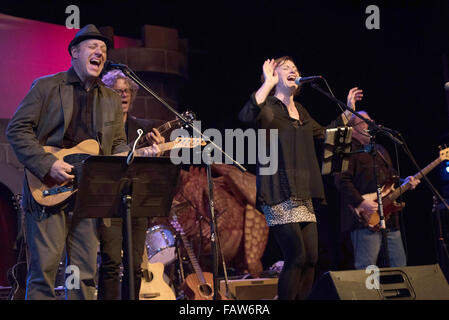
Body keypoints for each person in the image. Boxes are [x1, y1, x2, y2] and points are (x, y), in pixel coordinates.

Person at [6, 24, 159, 300]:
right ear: (74, 52)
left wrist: (140, 152)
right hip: (48, 190)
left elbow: (115, 147)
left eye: (103, 49)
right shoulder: (46, 87)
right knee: (45, 274)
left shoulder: (110, 99)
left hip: (88, 196)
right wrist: (46, 164)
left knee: (84, 275)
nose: (99, 52)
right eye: (93, 47)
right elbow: (16, 129)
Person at [238, 57, 358, 300]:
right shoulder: (268, 106)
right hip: (277, 191)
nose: (293, 70)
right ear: (273, 75)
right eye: (286, 68)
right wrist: (268, 84)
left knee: (311, 258)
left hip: (303, 191)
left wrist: (348, 111)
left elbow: (326, 134)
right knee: (297, 256)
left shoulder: (301, 111)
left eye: (295, 68)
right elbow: (246, 115)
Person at [98, 69, 165, 300]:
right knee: (111, 263)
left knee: (135, 265)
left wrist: (159, 151)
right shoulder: (102, 128)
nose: (123, 95)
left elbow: (152, 170)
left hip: (137, 202)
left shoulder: (144, 127)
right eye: (117, 92)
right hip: (110, 202)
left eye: (127, 91)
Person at [334, 108, 420, 270]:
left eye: (370, 120)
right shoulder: (347, 151)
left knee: (400, 266)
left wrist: (405, 181)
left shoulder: (380, 150)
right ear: (352, 129)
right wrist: (361, 202)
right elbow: (341, 181)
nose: (370, 124)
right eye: (364, 121)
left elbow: (391, 178)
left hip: (390, 219)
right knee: (368, 269)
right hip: (364, 220)